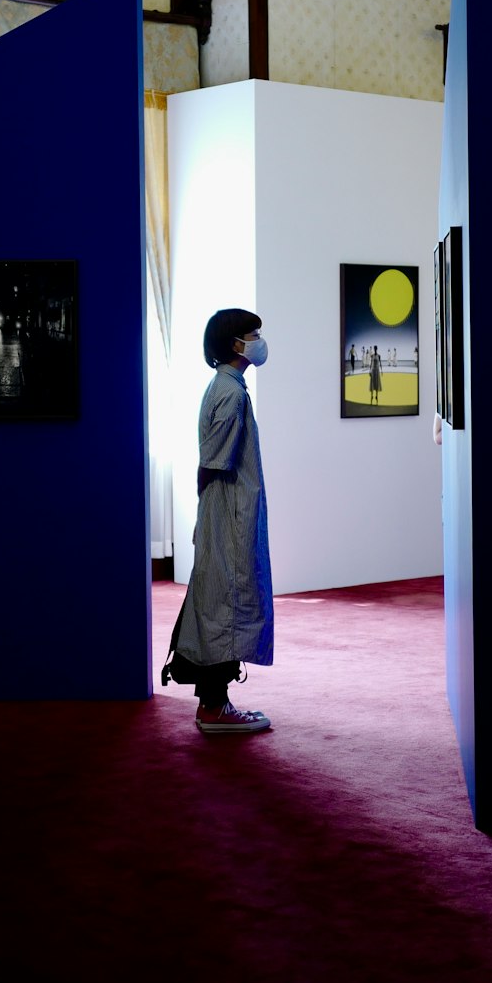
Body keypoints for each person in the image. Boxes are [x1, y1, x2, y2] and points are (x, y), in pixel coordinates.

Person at [172, 308, 273, 733]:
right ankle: (214, 708)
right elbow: (213, 462)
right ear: (235, 344)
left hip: (223, 509)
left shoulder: (226, 387)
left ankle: (214, 704)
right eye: (252, 334)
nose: (259, 341)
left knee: (219, 600)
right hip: (229, 512)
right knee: (228, 603)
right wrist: (208, 511)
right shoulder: (231, 394)